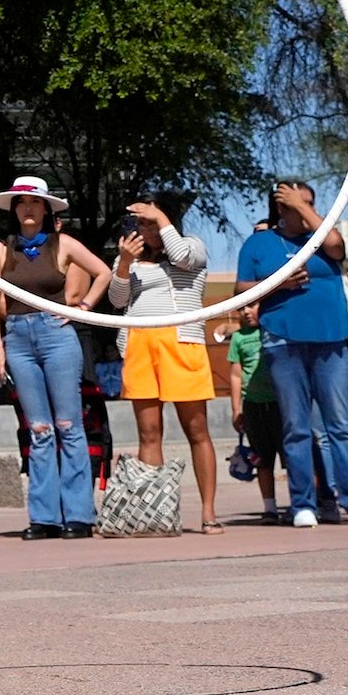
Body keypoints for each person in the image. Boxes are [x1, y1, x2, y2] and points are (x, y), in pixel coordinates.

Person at [239, 178, 348, 527]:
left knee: (340, 423)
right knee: (296, 426)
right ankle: (303, 503)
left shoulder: (322, 236)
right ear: (280, 208)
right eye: (300, 204)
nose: (309, 209)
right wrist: (280, 282)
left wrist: (303, 207)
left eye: (312, 203)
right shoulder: (259, 243)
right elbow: (242, 288)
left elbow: (335, 247)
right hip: (283, 341)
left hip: (331, 340)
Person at [0, 176, 110, 539]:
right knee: (38, 429)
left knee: (69, 426)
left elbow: (103, 272)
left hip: (56, 335)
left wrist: (82, 307)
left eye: (34, 202)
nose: (27, 208)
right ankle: (44, 518)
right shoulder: (2, 249)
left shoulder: (63, 243)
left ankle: (80, 516)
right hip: (18, 337)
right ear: (14, 209)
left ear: (46, 208)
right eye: (21, 202)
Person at [105, 193, 220, 531]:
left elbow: (184, 258)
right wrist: (125, 263)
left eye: (148, 222)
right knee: (149, 433)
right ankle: (154, 513)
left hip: (182, 341)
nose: (142, 230)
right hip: (140, 343)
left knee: (197, 430)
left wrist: (162, 220)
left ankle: (208, 511)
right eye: (138, 223)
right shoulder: (129, 258)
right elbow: (117, 299)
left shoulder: (191, 245)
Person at [221, 302, 284, 520]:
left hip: (280, 403)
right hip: (253, 405)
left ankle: (301, 503)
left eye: (252, 305)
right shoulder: (239, 339)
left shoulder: (272, 331)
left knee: (291, 454)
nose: (246, 311)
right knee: (262, 458)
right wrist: (236, 408)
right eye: (241, 308)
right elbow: (236, 375)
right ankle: (269, 508)